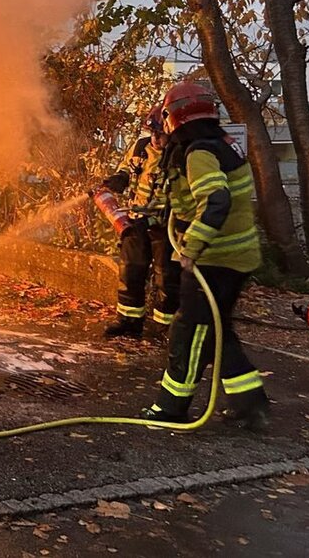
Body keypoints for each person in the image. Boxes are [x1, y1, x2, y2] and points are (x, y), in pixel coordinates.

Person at [140, 80, 270, 430]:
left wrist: (191, 249)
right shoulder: (218, 142)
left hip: (215, 260)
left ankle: (172, 407)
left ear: (175, 117)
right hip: (237, 256)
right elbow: (193, 196)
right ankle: (251, 403)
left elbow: (216, 200)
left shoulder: (198, 152)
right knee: (216, 330)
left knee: (189, 330)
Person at [100, 105, 180, 340]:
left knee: (166, 276)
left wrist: (158, 218)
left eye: (160, 134)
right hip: (136, 219)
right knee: (130, 270)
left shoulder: (179, 155)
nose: (155, 138)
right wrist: (120, 178)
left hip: (164, 225)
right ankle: (128, 321)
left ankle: (166, 327)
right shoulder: (140, 147)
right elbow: (127, 167)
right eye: (152, 133)